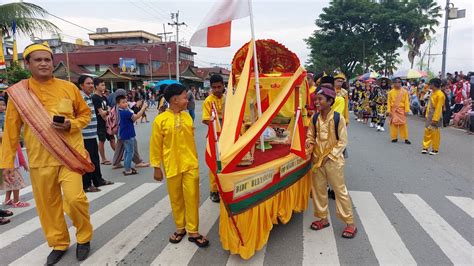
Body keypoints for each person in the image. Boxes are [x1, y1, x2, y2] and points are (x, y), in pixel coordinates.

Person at [0, 42, 93, 264]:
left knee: (74, 199)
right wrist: (6, 163)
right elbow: (11, 131)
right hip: (40, 160)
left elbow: (85, 115)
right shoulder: (18, 94)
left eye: (47, 59)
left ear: (53, 62)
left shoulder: (69, 88)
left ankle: (84, 237)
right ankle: (59, 242)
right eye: (38, 60)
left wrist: (70, 124)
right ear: (28, 64)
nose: (43, 63)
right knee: (47, 205)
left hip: (69, 155)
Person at [150, 83, 209, 248]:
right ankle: (180, 228)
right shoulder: (160, 120)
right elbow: (156, 145)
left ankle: (193, 231)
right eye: (184, 97)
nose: (187, 100)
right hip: (172, 165)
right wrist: (156, 167)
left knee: (192, 197)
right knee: (176, 199)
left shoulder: (187, 117)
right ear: (174, 100)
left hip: (190, 164)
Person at [306, 85, 357, 239]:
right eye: (316, 99)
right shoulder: (314, 118)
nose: (317, 102)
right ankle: (323, 218)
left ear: (330, 101)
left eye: (320, 99)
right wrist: (309, 144)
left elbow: (342, 141)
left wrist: (330, 156)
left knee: (339, 190)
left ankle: (350, 223)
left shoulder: (337, 118)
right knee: (318, 190)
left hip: (334, 161)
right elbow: (310, 136)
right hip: (317, 160)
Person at [78, 75, 114, 192]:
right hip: (83, 134)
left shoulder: (89, 97)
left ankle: (98, 180)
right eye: (88, 83)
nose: (91, 85)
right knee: (86, 160)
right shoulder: (79, 98)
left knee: (94, 158)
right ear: (81, 85)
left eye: (92, 83)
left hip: (92, 133)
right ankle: (86, 184)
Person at [111, 89, 150, 169]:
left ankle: (116, 162)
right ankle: (131, 166)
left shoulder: (118, 108)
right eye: (124, 101)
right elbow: (134, 117)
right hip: (127, 133)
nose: (126, 103)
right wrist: (142, 108)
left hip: (122, 132)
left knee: (122, 147)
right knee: (130, 150)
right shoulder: (124, 111)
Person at [202, 74, 225, 203]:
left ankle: (225, 188)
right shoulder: (208, 101)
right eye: (214, 87)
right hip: (214, 138)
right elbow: (205, 119)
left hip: (227, 136)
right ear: (211, 88)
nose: (216, 89)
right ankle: (214, 190)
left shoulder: (228, 99)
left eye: (219, 87)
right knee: (214, 164)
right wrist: (219, 122)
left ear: (223, 86)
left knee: (226, 162)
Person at [92, 78, 116, 165]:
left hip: (107, 122)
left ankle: (118, 155)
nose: (104, 86)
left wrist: (107, 113)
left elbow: (108, 108)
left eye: (104, 85)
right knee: (102, 140)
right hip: (100, 123)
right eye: (102, 85)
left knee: (112, 139)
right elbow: (101, 113)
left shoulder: (104, 97)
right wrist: (107, 112)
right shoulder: (95, 98)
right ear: (96, 86)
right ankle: (103, 159)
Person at [422, 78, 445, 155]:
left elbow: (438, 108)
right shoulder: (432, 93)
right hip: (429, 115)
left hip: (436, 116)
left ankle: (435, 149)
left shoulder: (440, 94)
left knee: (435, 132)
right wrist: (426, 114)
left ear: (434, 84)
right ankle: (425, 147)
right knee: (427, 130)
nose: (429, 85)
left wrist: (435, 119)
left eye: (430, 84)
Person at [387, 77, 411, 144]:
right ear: (393, 83)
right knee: (394, 124)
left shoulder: (405, 92)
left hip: (401, 110)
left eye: (399, 82)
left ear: (401, 83)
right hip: (393, 110)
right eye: (396, 82)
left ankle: (405, 138)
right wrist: (389, 110)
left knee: (403, 124)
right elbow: (388, 102)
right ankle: (394, 138)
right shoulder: (390, 92)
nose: (397, 84)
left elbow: (407, 101)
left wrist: (407, 110)